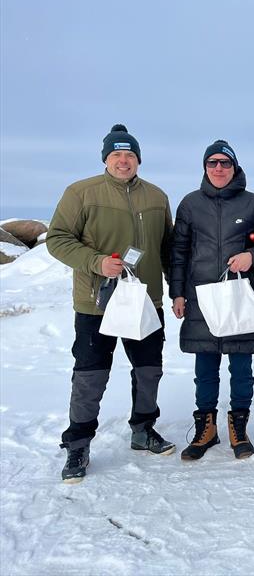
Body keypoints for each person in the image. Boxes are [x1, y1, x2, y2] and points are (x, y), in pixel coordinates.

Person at [47, 124, 174, 483]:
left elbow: (168, 249)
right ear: (106, 159)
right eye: (117, 155)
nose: (123, 161)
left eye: (130, 155)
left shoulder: (157, 196)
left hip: (145, 301)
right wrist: (96, 261)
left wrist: (178, 290)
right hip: (96, 303)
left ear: (138, 160)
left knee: (149, 369)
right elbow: (57, 239)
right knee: (90, 376)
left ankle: (143, 429)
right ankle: (78, 445)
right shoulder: (80, 192)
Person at [170, 140, 254, 460]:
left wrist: (253, 256)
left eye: (225, 163)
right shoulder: (190, 205)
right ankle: (205, 430)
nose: (219, 168)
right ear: (205, 168)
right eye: (213, 163)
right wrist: (177, 292)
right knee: (205, 367)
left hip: (240, 296)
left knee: (241, 367)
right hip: (201, 299)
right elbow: (178, 253)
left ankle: (239, 428)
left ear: (235, 167)